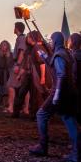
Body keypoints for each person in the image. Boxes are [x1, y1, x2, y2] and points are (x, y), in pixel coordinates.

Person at [29, 32, 78, 161]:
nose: (50, 42)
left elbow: (61, 75)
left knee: (41, 115)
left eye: (51, 40)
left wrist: (56, 95)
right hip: (68, 92)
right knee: (69, 120)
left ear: (55, 41)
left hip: (60, 92)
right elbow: (55, 67)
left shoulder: (59, 55)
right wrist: (45, 57)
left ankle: (42, 146)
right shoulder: (66, 53)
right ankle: (76, 153)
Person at [12, 31, 47, 119]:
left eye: (28, 37)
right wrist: (20, 74)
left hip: (36, 76)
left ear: (32, 37)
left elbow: (42, 63)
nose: (27, 38)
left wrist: (42, 77)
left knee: (35, 96)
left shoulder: (39, 48)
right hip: (28, 75)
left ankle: (34, 115)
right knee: (21, 93)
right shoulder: (28, 50)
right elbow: (25, 64)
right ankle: (15, 113)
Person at [0, 40, 15, 113]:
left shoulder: (11, 54)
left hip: (9, 73)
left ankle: (10, 106)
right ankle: (4, 105)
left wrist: (7, 57)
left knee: (9, 90)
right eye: (2, 45)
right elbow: (0, 65)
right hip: (2, 74)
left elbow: (10, 64)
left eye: (5, 45)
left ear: (8, 46)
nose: (4, 46)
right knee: (2, 90)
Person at [67, 33, 81, 124]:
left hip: (76, 84)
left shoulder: (73, 55)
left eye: (69, 40)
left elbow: (74, 71)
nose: (68, 42)